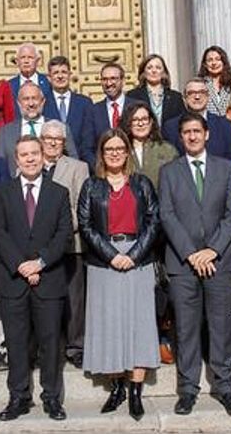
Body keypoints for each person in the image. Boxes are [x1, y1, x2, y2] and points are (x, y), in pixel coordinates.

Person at [158, 113, 231, 417]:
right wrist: (191, 253)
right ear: (180, 137)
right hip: (183, 264)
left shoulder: (225, 168)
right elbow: (166, 214)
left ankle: (225, 386)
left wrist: (211, 250)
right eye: (186, 132)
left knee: (221, 326)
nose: (192, 136)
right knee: (186, 328)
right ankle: (188, 389)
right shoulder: (169, 171)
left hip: (220, 261)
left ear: (206, 134)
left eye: (197, 131)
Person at [78, 129, 162, 421]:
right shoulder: (91, 186)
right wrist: (112, 255)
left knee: (139, 324)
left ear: (127, 152)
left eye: (119, 148)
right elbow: (86, 225)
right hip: (104, 263)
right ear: (101, 154)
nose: (114, 153)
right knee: (109, 325)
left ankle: (136, 392)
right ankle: (117, 388)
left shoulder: (142, 184)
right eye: (108, 149)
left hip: (138, 260)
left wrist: (133, 254)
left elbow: (154, 220)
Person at [0, 136, 73, 422]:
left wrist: (39, 263)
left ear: (43, 156)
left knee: (51, 343)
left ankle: (51, 397)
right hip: (14, 281)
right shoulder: (2, 192)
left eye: (34, 153)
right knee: (16, 343)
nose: (29, 159)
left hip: (48, 279)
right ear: (16, 159)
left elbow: (64, 234)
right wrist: (21, 266)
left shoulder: (59, 192)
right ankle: (19, 397)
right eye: (24, 154)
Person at [39, 121, 91, 368]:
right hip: (39, 247)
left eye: (57, 139)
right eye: (47, 138)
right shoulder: (30, 164)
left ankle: (76, 346)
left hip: (71, 243)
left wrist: (56, 229)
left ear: (64, 142)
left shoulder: (78, 168)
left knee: (74, 297)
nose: (52, 142)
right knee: (46, 298)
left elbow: (82, 207)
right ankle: (49, 347)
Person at [0, 82, 76, 175]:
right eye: (26, 99)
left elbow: (73, 161)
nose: (31, 103)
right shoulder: (6, 132)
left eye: (35, 98)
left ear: (43, 101)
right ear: (18, 103)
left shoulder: (60, 127)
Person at [161, 78, 231, 165]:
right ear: (184, 98)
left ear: (208, 96)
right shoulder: (171, 127)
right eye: (191, 93)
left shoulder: (224, 125)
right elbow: (169, 160)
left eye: (202, 92)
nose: (197, 97)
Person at [46, 55, 95, 163]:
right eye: (56, 73)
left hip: (80, 163)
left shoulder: (85, 103)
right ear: (49, 78)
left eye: (63, 72)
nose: (60, 76)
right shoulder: (43, 103)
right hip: (51, 165)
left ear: (70, 75)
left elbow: (88, 138)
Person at [122, 102, 178, 187]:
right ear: (128, 123)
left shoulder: (168, 150)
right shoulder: (121, 150)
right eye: (135, 120)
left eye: (144, 119)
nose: (140, 124)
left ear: (151, 122)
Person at [125, 53, 184, 126]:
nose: (154, 71)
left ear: (164, 73)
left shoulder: (176, 97)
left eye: (158, 68)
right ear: (143, 72)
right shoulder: (132, 95)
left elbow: (182, 122)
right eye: (149, 68)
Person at [90, 62, 140, 141]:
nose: (108, 83)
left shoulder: (137, 107)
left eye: (113, 78)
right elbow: (87, 146)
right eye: (104, 79)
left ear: (123, 81)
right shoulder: (93, 111)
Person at [197, 46, 231, 117]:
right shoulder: (199, 84)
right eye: (210, 60)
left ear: (223, 62)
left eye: (217, 59)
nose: (214, 63)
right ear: (205, 64)